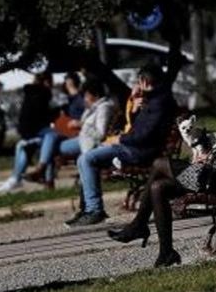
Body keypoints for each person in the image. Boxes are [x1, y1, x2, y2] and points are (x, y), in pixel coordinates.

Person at [106, 60, 216, 267]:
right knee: (158, 187)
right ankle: (166, 252)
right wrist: (208, 147)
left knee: (160, 163)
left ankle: (139, 226)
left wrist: (212, 157)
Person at [64, 64, 177, 227]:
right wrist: (135, 110)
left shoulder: (159, 103)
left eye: (138, 82)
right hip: (133, 147)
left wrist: (121, 139)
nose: (136, 86)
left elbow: (145, 135)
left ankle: (94, 210)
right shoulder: (154, 100)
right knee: (85, 159)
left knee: (87, 159)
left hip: (138, 152)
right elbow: (140, 127)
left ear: (144, 81)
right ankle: (87, 209)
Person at [24, 72, 87, 189]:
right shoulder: (68, 100)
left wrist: (78, 123)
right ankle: (45, 177)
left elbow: (86, 117)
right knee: (50, 138)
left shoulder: (81, 98)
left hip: (79, 133)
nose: (64, 83)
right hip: (68, 132)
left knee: (50, 138)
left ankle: (44, 175)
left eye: (67, 81)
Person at [0, 72, 56, 193]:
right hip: (35, 132)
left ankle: (15, 178)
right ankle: (21, 176)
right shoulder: (43, 93)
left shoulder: (30, 93)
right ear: (46, 82)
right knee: (48, 136)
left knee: (21, 146)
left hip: (26, 132)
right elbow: (43, 117)